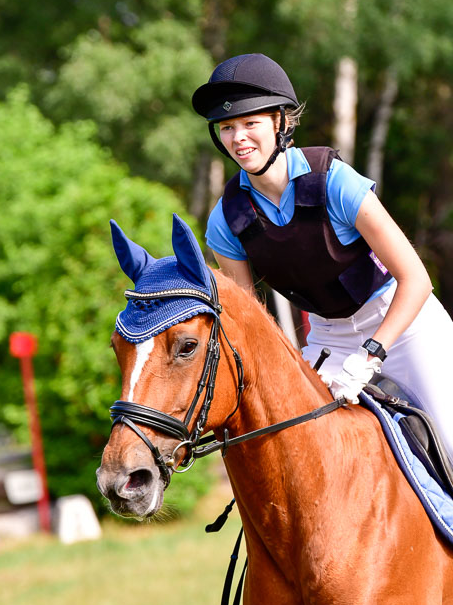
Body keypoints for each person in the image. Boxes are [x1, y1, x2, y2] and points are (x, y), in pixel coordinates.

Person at [192, 53, 453, 460]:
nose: (238, 137)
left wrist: (372, 355)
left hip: (403, 326)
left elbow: (416, 279)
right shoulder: (226, 220)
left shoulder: (335, 182)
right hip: (330, 340)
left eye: (250, 123)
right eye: (227, 127)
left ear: (280, 122)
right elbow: (249, 322)